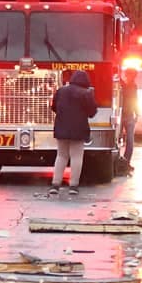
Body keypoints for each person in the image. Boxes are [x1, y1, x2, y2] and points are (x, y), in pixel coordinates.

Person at [48, 69, 99, 198]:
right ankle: (73, 186)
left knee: (61, 156)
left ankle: (55, 184)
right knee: (76, 157)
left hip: (61, 127)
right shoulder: (86, 93)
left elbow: (53, 107)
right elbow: (92, 112)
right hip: (78, 129)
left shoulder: (61, 91)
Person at [118, 67, 140, 177]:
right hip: (121, 115)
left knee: (130, 141)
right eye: (128, 75)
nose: (129, 77)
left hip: (128, 115)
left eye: (131, 75)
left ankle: (126, 162)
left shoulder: (130, 86)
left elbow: (135, 100)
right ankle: (120, 162)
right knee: (118, 140)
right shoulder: (122, 85)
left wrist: (137, 112)